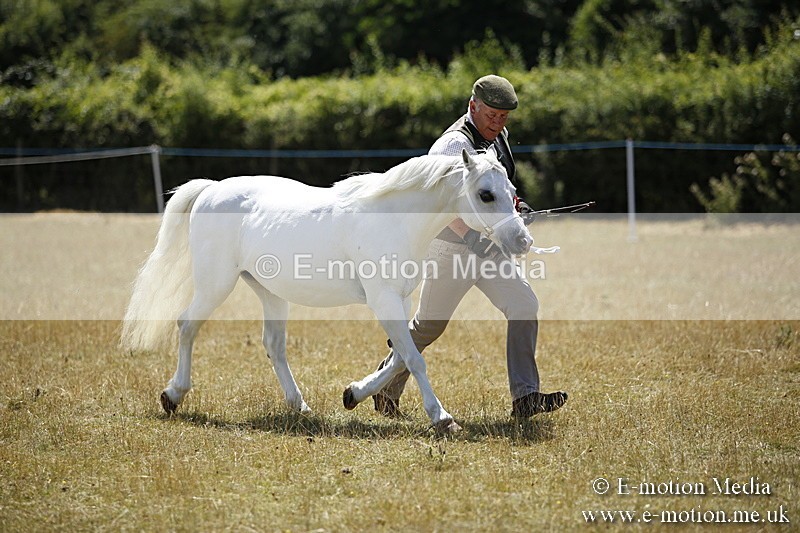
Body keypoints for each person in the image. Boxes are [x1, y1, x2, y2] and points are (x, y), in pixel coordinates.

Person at [371, 74, 568, 419]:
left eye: (503, 117)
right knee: (429, 326)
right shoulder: (450, 147)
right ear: (472, 106)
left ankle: (525, 397)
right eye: (491, 115)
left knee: (523, 304)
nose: (497, 122)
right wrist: (476, 239)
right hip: (451, 249)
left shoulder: (499, 139)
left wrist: (518, 208)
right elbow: (442, 207)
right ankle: (383, 386)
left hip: (489, 248)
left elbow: (501, 187)